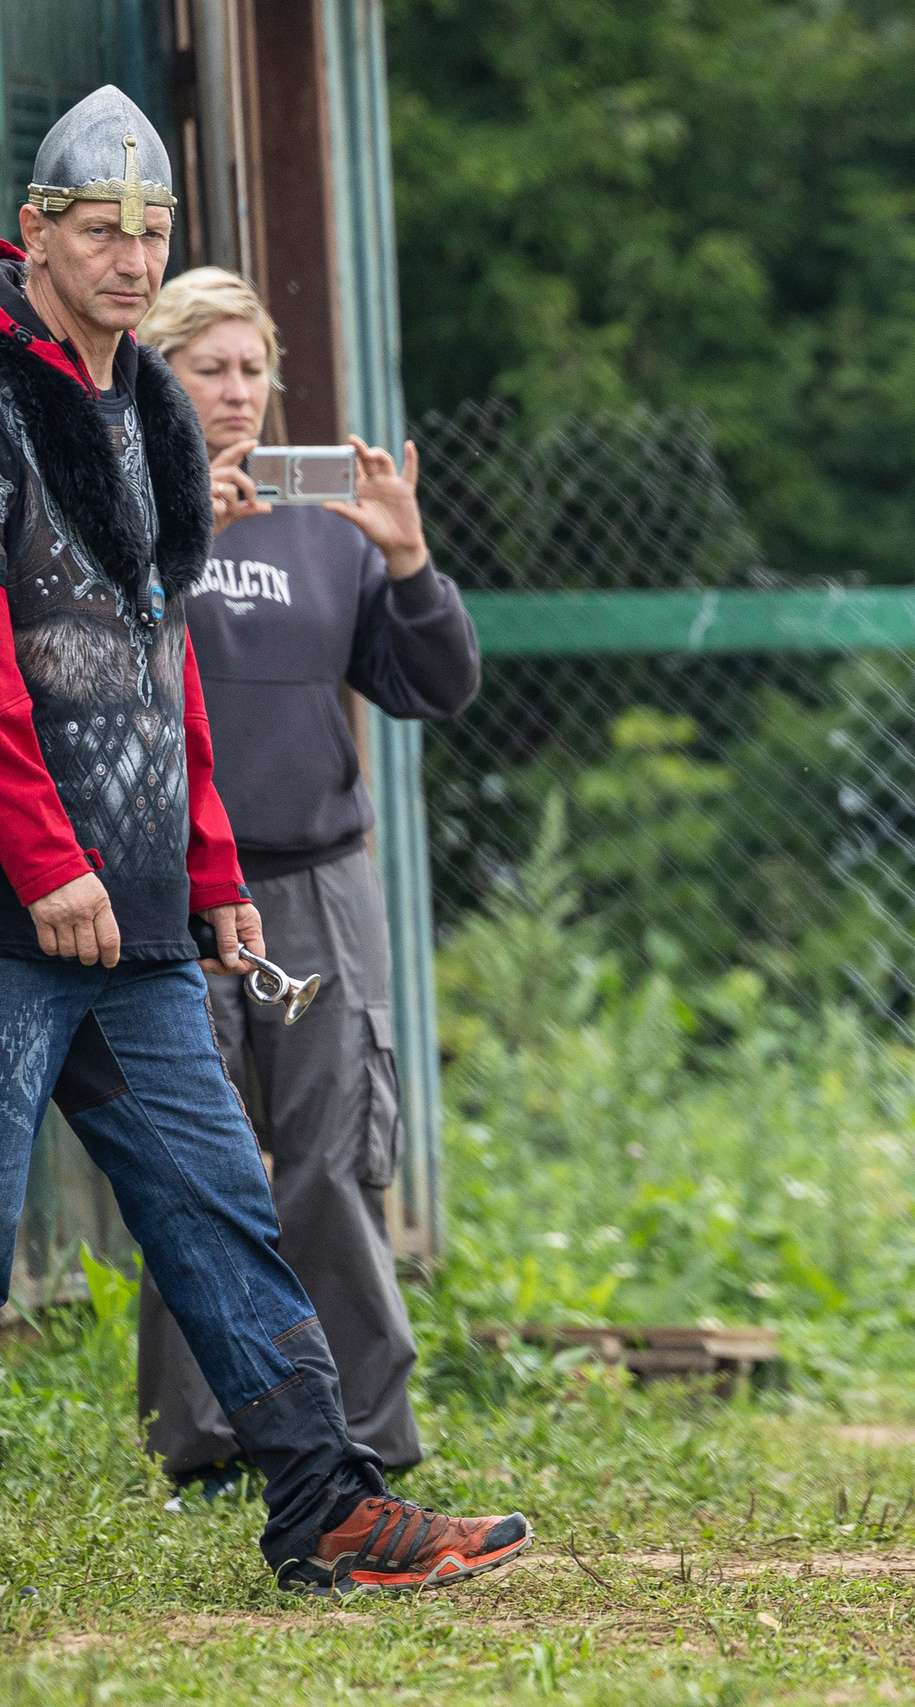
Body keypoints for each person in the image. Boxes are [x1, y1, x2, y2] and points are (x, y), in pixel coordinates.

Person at [0, 85, 525, 1595]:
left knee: (225, 1203)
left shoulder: (148, 413)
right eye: (101, 228)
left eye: (151, 229)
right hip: (22, 903)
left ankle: (331, 1505)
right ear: (36, 234)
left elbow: (164, 671)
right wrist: (45, 858)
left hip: (143, 910)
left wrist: (207, 866)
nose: (129, 251)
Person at [133, 266, 480, 1499]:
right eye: (206, 368)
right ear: (155, 372)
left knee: (330, 1156)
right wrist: (183, 537)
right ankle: (209, 1448)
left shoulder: (319, 527)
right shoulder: (115, 505)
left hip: (319, 882)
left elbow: (432, 686)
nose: (234, 394)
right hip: (168, 891)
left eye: (250, 369)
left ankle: (368, 1437)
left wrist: (410, 558)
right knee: (197, 1169)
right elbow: (90, 666)